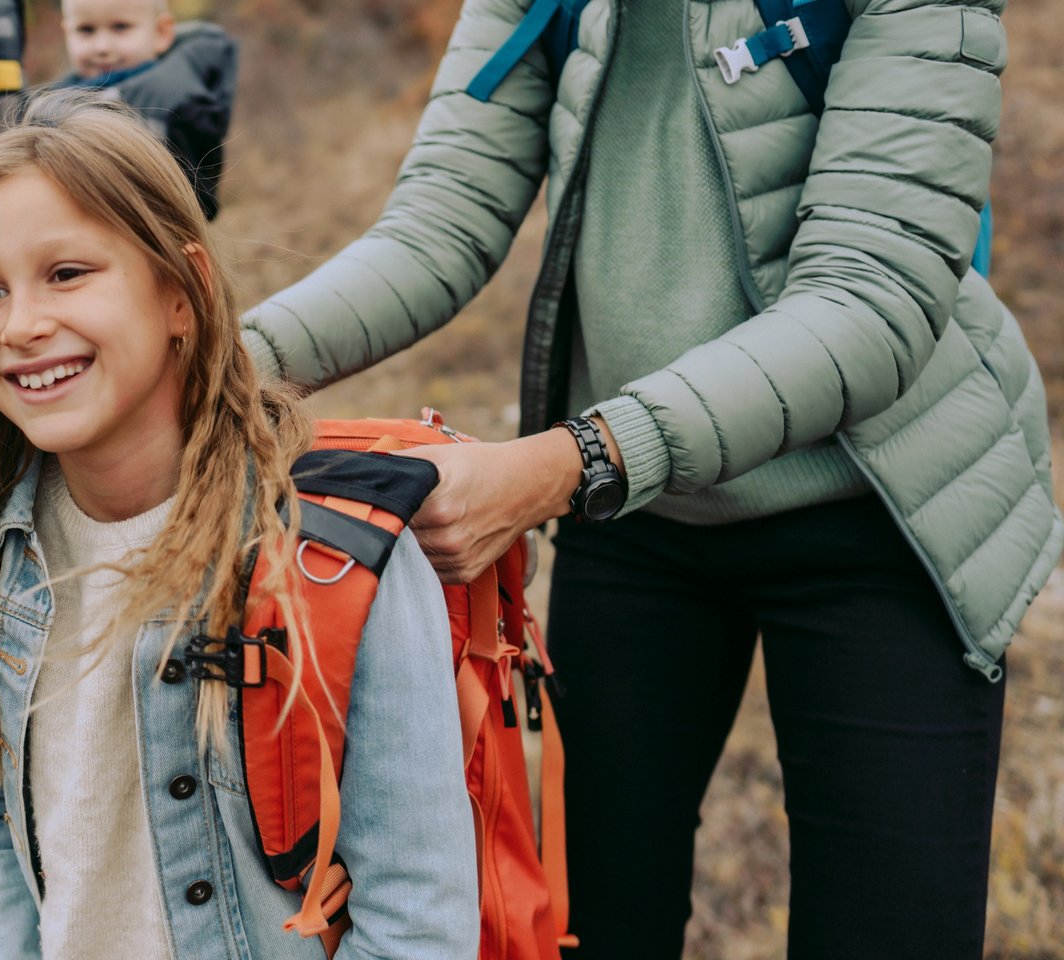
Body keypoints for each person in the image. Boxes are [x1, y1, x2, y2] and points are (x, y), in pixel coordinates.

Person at [240, 0, 1061, 957]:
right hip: (635, 515)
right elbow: (436, 229)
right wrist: (210, 371)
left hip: (883, 516)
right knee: (592, 927)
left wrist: (566, 462)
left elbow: (870, 301)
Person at [0, 95, 479, 960]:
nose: (22, 326)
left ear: (182, 293)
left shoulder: (330, 558)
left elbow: (416, 920)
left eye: (67, 273)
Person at [52, 0, 236, 218]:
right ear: (67, 33)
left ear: (161, 33)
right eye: (86, 30)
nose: (101, 47)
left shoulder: (177, 106)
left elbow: (198, 203)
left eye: (121, 27)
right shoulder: (51, 103)